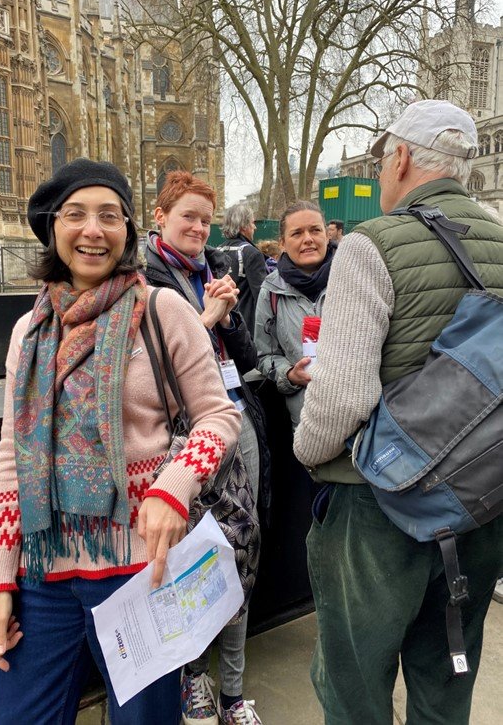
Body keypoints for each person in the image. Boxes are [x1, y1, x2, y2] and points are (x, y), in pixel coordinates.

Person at [0, 158, 241, 725]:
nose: (92, 230)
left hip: (140, 572)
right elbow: (10, 461)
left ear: (127, 230)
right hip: (42, 574)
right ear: (54, 228)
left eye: (109, 216)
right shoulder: (29, 331)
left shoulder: (162, 310)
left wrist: (172, 488)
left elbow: (219, 418)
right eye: (76, 214)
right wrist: (0, 581)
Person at [293, 99, 503, 724]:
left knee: (354, 686)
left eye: (385, 161)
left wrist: (307, 450)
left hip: (379, 507)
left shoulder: (370, 244)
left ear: (403, 157)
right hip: (481, 504)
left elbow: (344, 399)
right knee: (446, 679)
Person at [144, 170, 266, 725]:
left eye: (206, 219)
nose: (198, 227)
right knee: (186, 562)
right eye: (188, 216)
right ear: (159, 217)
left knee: (240, 554)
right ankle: (195, 680)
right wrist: (204, 318)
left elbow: (244, 355)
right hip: (178, 440)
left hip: (234, 422)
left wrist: (230, 313)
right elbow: (149, 372)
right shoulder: (141, 278)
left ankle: (235, 691)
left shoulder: (215, 268)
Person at [254, 202, 335, 429]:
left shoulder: (353, 278)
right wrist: (289, 374)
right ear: (282, 243)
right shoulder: (271, 291)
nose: (307, 239)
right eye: (297, 233)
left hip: (360, 419)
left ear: (327, 236)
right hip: (306, 421)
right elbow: (264, 355)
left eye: (315, 230)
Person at [217, 206, 267, 337]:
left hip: (221, 323)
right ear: (244, 225)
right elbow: (262, 297)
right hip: (246, 327)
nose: (254, 227)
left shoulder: (217, 251)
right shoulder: (252, 253)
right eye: (252, 223)